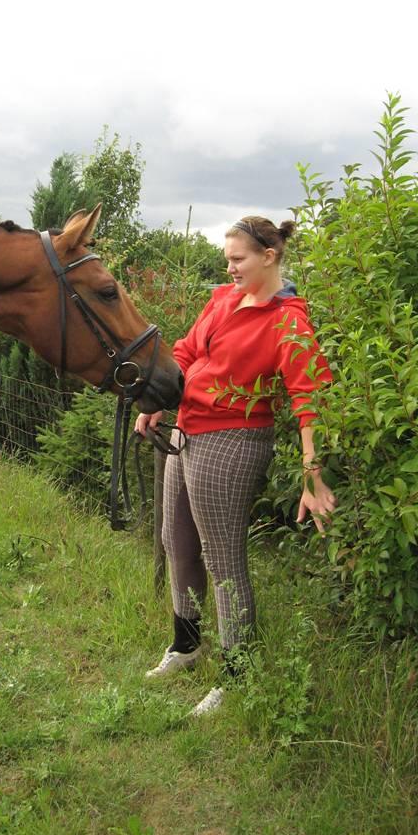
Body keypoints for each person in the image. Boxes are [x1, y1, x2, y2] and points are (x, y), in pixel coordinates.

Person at [135, 216, 337, 715]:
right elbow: (186, 351)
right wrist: (157, 400)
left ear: (269, 256)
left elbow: (312, 399)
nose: (229, 268)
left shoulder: (288, 321)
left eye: (238, 259)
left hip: (234, 439)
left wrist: (314, 477)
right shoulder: (224, 299)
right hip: (186, 428)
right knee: (175, 540)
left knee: (223, 559)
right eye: (227, 259)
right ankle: (187, 644)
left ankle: (237, 673)